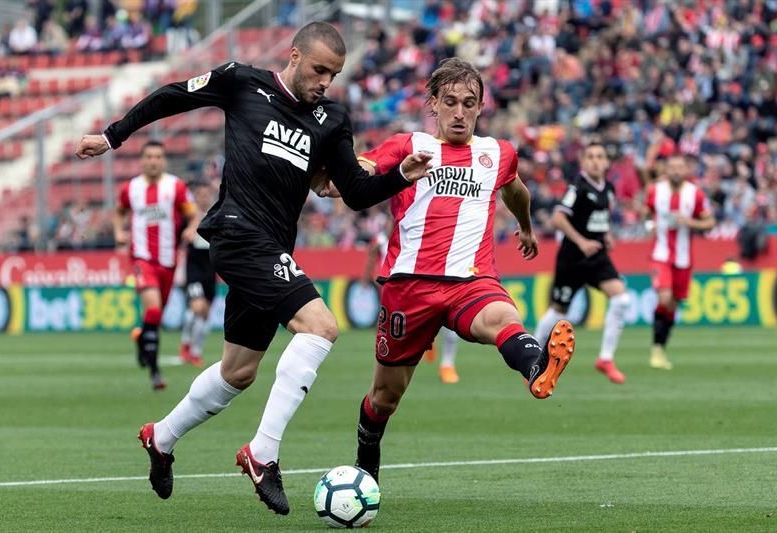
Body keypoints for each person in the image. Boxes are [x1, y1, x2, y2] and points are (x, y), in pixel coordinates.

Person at [75, 21, 432, 515]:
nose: (325, 81)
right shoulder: (243, 81)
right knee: (321, 327)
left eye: (333, 74)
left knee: (238, 372)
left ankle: (161, 437)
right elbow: (172, 96)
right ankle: (263, 453)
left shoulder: (331, 119)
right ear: (294, 56)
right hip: (237, 233)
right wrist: (112, 136)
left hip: (273, 247)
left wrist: (401, 175)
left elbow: (354, 192)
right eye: (319, 70)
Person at [346, 58, 576, 483]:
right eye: (450, 102)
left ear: (481, 107)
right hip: (409, 286)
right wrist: (339, 174)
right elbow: (362, 170)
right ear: (433, 103)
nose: (459, 112)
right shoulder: (407, 145)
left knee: (503, 317)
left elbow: (516, 190)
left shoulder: (497, 153)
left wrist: (526, 227)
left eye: (469, 103)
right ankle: (365, 464)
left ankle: (537, 367)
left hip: (471, 280)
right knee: (384, 398)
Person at [534, 143, 631, 384]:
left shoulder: (608, 189)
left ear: (606, 162)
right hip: (573, 258)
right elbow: (558, 218)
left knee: (621, 298)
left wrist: (606, 234)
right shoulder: (577, 187)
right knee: (559, 310)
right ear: (583, 162)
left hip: (597, 257)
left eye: (600, 156)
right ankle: (533, 358)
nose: (596, 161)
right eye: (591, 157)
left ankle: (605, 359)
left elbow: (599, 217)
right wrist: (582, 241)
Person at [114, 140, 199, 390]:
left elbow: (192, 214)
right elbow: (119, 212)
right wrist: (119, 232)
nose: (153, 161)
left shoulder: (176, 187)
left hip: (168, 261)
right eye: (149, 156)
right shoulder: (131, 188)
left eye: (158, 156)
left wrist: (192, 228)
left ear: (164, 160)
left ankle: (142, 338)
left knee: (156, 316)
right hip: (142, 259)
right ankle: (155, 372)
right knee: (152, 311)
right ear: (142, 160)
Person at [361, 214, 461, 384]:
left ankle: (447, 365)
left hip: (430, 281)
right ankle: (423, 343)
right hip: (395, 287)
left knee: (449, 322)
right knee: (395, 327)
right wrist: (367, 278)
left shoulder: (418, 233)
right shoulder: (381, 240)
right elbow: (371, 257)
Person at [644, 153, 715, 369]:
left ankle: (660, 348)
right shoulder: (656, 191)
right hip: (660, 255)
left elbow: (710, 223)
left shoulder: (695, 194)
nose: (676, 171)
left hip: (684, 259)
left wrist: (690, 222)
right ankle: (656, 350)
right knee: (664, 298)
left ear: (686, 170)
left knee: (673, 304)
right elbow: (646, 213)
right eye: (672, 167)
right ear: (666, 170)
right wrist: (650, 225)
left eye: (679, 167)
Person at [179, 180, 216, 368]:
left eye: (206, 194)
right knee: (197, 307)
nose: (204, 198)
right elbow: (180, 236)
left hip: (211, 269)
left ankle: (196, 351)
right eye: (200, 195)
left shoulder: (216, 215)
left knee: (205, 313)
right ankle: (188, 347)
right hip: (194, 269)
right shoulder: (189, 217)